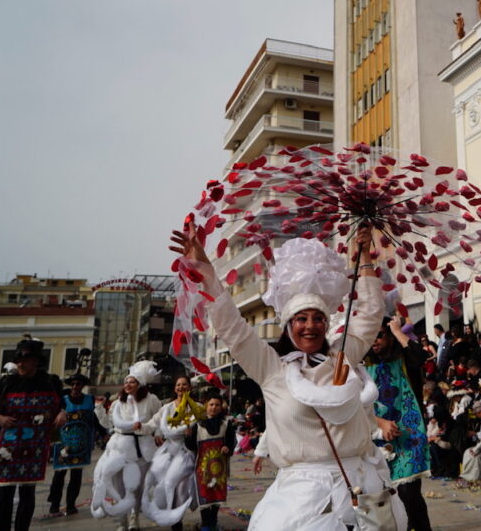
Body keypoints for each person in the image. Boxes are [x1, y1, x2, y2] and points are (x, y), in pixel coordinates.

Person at [170, 224, 406, 530]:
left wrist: (365, 259)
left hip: (363, 492)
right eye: (301, 319)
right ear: (288, 324)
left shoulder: (342, 359)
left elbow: (372, 312)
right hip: (301, 499)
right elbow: (232, 327)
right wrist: (206, 269)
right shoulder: (271, 367)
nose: (311, 326)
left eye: (318, 318)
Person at [0, 338, 66, 531]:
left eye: (25, 360)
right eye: (18, 360)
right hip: (7, 445)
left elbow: (60, 404)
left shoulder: (49, 383)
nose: (20, 364)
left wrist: (62, 412)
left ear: (36, 362)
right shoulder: (6, 384)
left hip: (33, 447)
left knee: (28, 493)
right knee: (6, 493)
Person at [366, 317, 432, 530]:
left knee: (409, 494)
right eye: (371, 336)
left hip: (408, 435)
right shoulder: (363, 363)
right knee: (381, 495)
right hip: (376, 435)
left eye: (380, 335)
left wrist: (396, 330)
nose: (374, 341)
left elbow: (422, 356)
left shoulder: (405, 357)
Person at [91, 360, 163, 531]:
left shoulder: (151, 399)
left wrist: (157, 433)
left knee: (137, 485)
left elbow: (159, 418)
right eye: (126, 382)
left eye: (132, 381)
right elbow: (109, 424)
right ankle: (121, 519)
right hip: (120, 447)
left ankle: (134, 517)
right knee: (118, 485)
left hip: (142, 448)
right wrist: (99, 409)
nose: (127, 384)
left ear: (140, 384)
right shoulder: (118, 402)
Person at [142, 374, 201, 530]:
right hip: (168, 452)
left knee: (179, 487)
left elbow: (207, 426)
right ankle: (174, 521)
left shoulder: (198, 407)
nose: (181, 388)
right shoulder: (166, 408)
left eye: (184, 385)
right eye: (178, 385)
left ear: (190, 387)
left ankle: (175, 517)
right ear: (175, 389)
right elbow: (153, 424)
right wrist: (144, 429)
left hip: (186, 452)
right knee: (163, 483)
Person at [183, 391, 235, 531]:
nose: (214, 407)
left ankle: (213, 522)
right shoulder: (198, 425)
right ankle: (206, 525)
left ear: (221, 407)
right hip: (203, 469)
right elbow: (191, 447)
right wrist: (187, 437)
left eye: (217, 405)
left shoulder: (226, 424)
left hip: (220, 469)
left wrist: (227, 448)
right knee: (205, 498)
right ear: (206, 406)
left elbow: (232, 441)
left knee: (217, 497)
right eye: (211, 404)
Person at [48, 373, 95, 517]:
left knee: (76, 476)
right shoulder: (63, 401)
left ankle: (71, 504)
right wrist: (52, 441)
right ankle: (54, 505)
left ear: (83, 386)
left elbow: (93, 419)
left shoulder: (90, 399)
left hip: (81, 445)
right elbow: (53, 422)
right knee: (59, 475)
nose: (75, 387)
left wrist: (101, 434)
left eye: (78, 384)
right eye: (73, 384)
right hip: (63, 444)